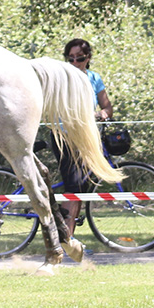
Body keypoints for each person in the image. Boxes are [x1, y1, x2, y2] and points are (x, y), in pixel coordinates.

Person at [52, 38, 113, 238]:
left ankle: (69, 237)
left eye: (80, 58)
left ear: (88, 58)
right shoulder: (62, 79)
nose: (75, 63)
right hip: (66, 138)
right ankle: (64, 240)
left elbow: (107, 107)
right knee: (73, 186)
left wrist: (103, 114)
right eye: (70, 59)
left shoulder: (94, 78)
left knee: (81, 188)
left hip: (87, 138)